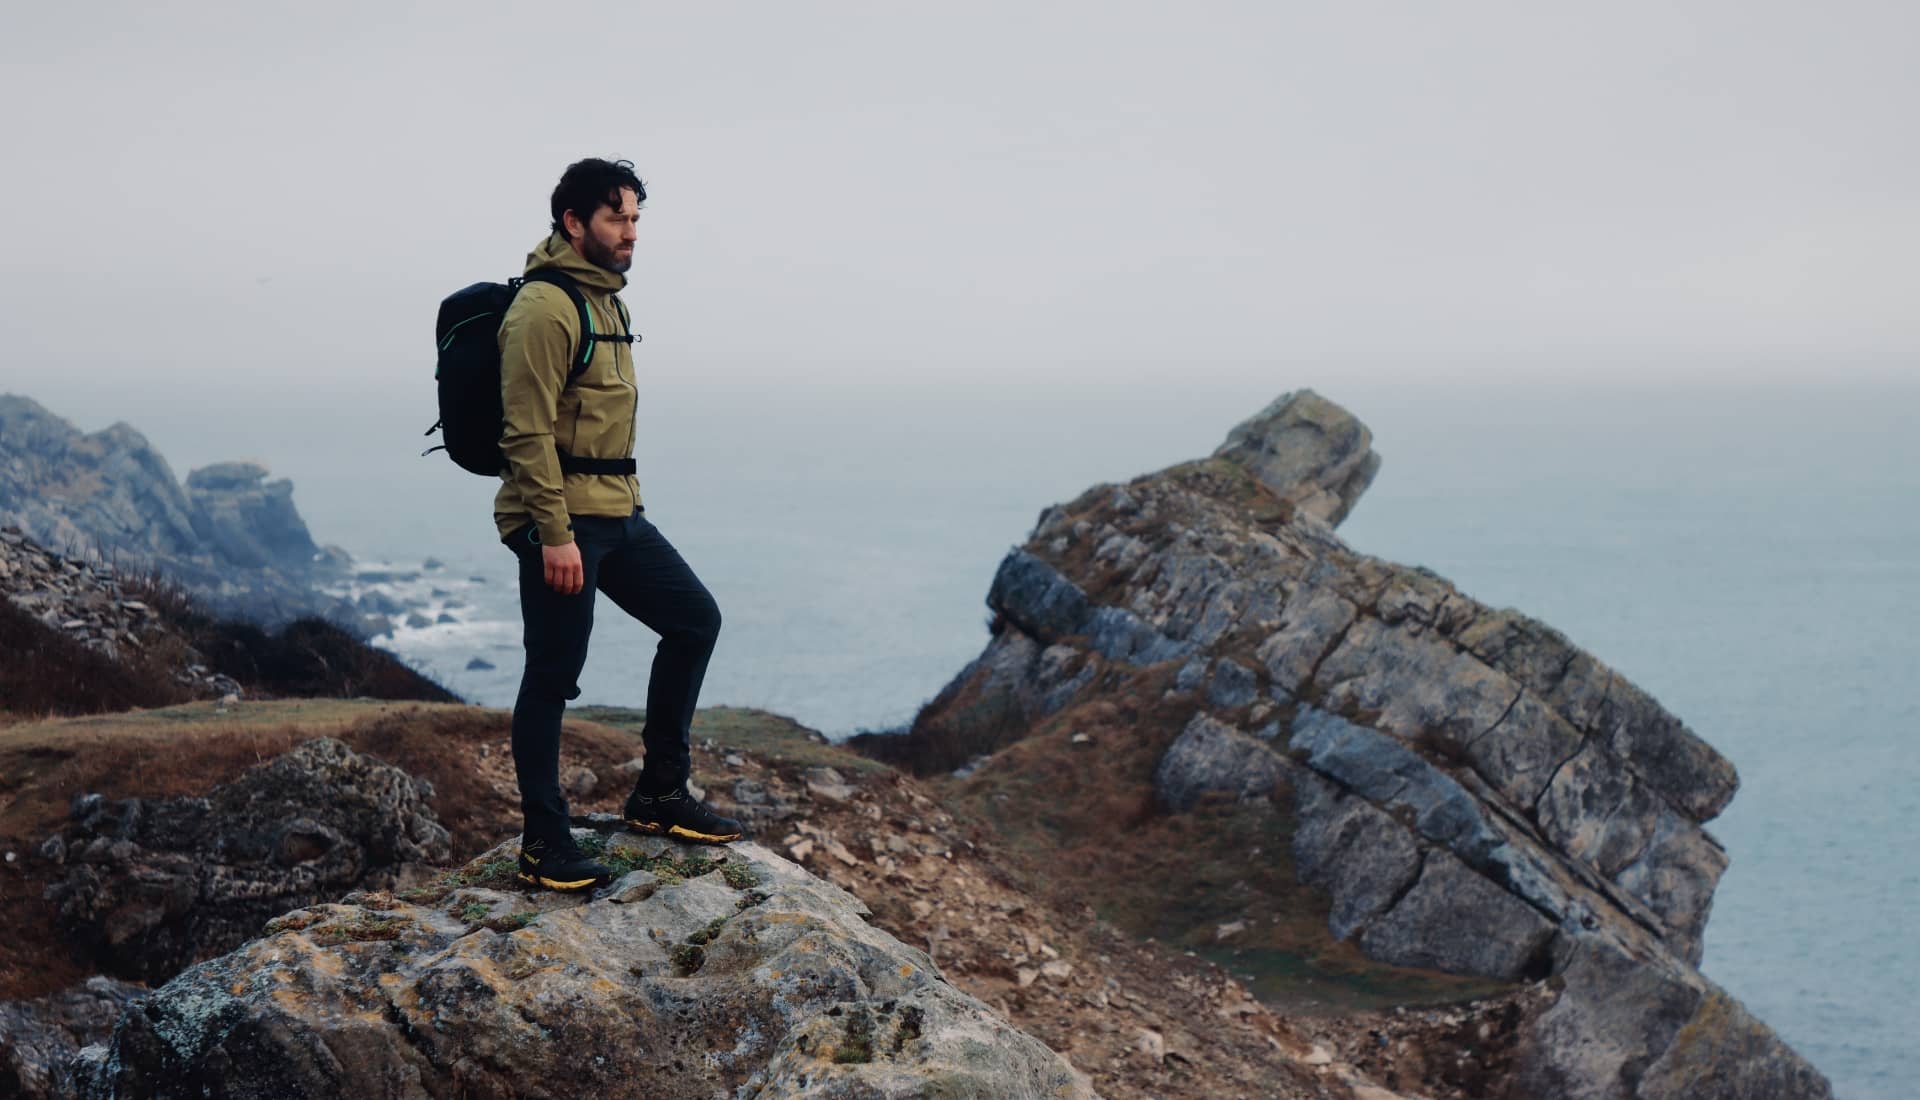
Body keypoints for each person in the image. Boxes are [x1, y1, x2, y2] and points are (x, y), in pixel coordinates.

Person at [495, 157, 743, 892]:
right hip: (561, 523)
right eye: (615, 218)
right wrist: (555, 533)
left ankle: (660, 794)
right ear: (574, 223)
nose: (631, 232)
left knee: (695, 620)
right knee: (553, 676)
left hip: (616, 514)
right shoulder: (546, 309)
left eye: (636, 218)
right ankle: (544, 843)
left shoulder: (608, 301)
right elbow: (525, 433)